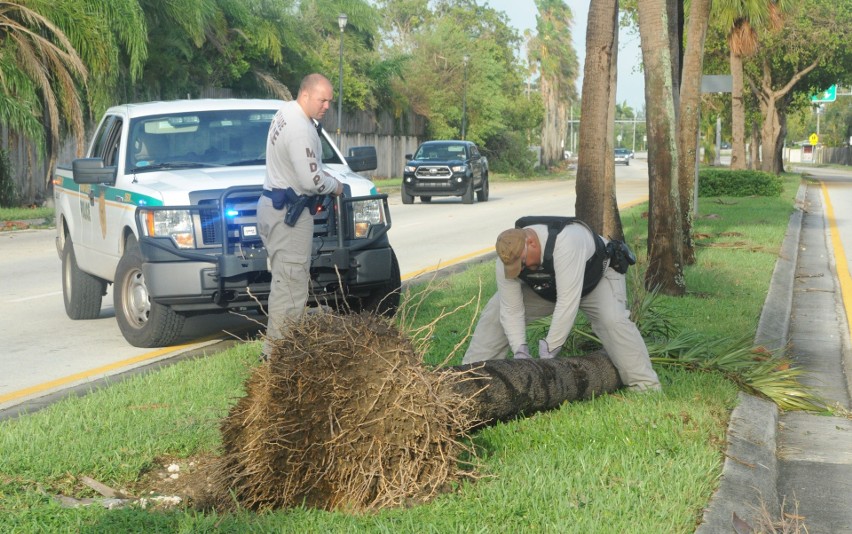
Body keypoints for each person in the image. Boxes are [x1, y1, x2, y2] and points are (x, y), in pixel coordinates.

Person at [462, 217, 661, 391]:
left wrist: (550, 348)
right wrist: (520, 349)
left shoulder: (566, 241)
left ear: (530, 242)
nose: (520, 269)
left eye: (522, 263)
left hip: (596, 279)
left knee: (613, 321)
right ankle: (469, 379)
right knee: (495, 311)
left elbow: (568, 303)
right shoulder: (508, 258)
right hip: (550, 287)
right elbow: (510, 308)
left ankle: (645, 386)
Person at [257, 73, 344, 359]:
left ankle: (275, 353)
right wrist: (335, 185)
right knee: (291, 291)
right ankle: (280, 359)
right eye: (322, 100)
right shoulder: (299, 128)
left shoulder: (286, 112)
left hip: (274, 208)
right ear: (305, 94)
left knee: (283, 283)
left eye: (330, 101)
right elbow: (311, 181)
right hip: (289, 216)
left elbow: (307, 168)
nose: (327, 106)